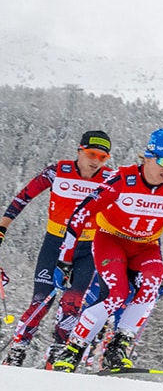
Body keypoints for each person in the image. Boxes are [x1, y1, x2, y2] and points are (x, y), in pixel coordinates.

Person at [48, 129, 163, 374]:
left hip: (146, 246)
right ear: (148, 156)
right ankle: (73, 348)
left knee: (151, 286)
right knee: (117, 293)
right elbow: (81, 214)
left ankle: (119, 346)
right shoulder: (122, 179)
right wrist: (65, 259)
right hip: (111, 240)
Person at [1, 130, 119, 366]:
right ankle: (17, 350)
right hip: (55, 245)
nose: (95, 161)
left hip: (87, 250)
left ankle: (57, 354)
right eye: (92, 154)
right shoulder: (58, 171)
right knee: (41, 299)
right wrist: (2, 227)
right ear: (80, 151)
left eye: (102, 157)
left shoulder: (110, 179)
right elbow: (23, 197)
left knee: (72, 303)